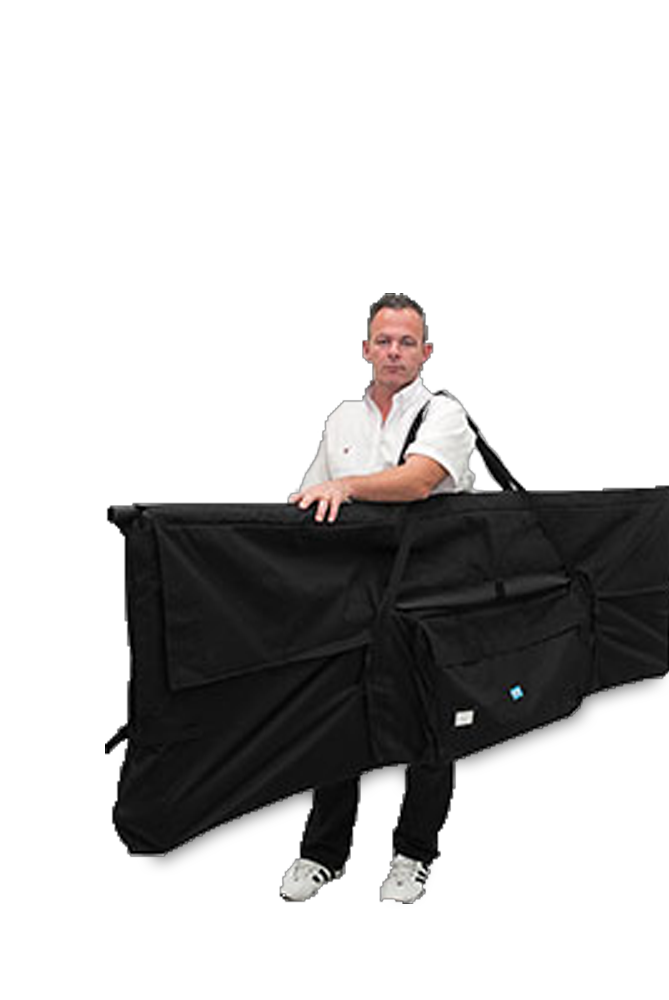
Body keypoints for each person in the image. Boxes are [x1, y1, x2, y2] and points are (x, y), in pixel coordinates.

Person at [281, 293, 477, 903]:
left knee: (428, 723)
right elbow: (315, 495)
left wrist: (346, 486)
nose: (394, 351)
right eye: (384, 340)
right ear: (366, 349)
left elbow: (419, 481)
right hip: (352, 594)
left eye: (407, 342)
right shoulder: (341, 420)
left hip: (428, 594)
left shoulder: (446, 415)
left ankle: (413, 856)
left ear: (426, 352)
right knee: (336, 715)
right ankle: (323, 853)